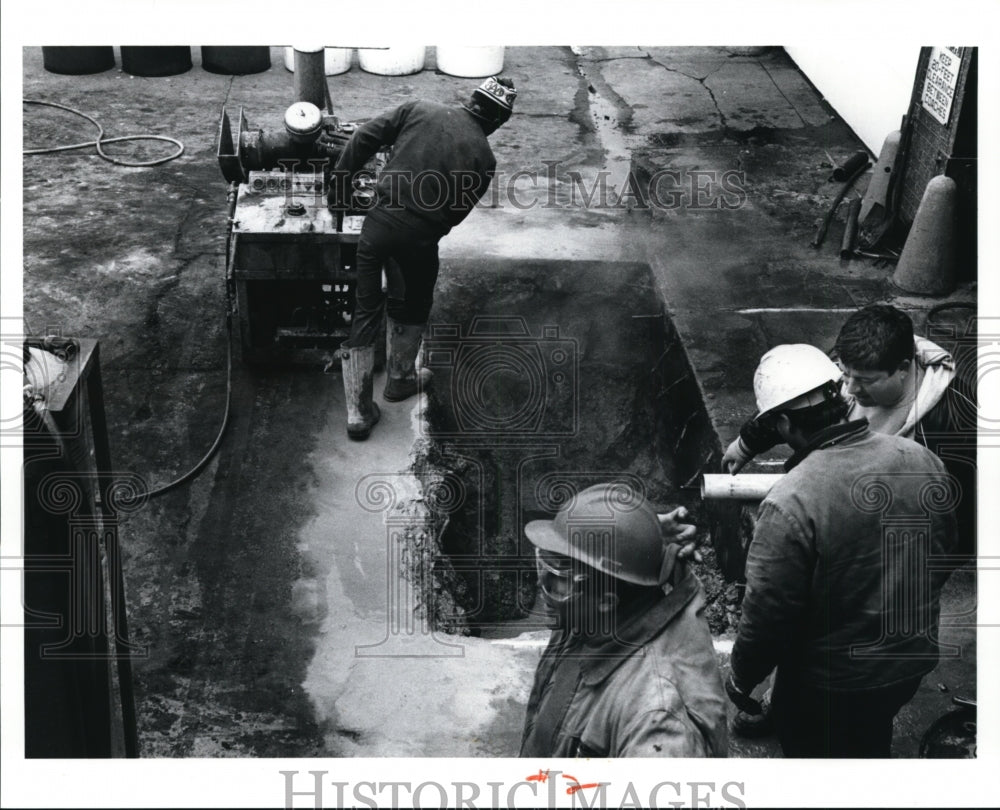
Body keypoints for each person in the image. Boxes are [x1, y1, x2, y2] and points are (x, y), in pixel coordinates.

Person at [725, 344, 958, 758]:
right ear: (842, 397)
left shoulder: (790, 502)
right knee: (869, 741)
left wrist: (742, 678)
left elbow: (768, 614)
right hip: (908, 664)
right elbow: (942, 553)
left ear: (782, 423)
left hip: (831, 683)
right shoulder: (921, 459)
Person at [330, 76, 516, 440]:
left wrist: (340, 182)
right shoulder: (484, 157)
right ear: (498, 121)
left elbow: (364, 136)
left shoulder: (419, 108)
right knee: (415, 300)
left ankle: (358, 412)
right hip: (419, 238)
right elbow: (455, 213)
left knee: (366, 308)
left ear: (472, 100)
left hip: (378, 225)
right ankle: (399, 378)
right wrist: (425, 231)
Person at [519, 483, 728, 758]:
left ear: (607, 600)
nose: (540, 584)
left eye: (558, 580)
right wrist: (641, 539)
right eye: (544, 567)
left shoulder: (656, 725)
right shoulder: (594, 617)